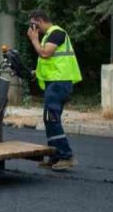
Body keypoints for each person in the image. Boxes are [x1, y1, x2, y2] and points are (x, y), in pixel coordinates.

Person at [26, 9, 81, 170]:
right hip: (55, 83)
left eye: (33, 24)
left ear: (41, 20)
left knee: (52, 119)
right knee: (49, 119)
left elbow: (45, 54)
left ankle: (66, 156)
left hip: (60, 83)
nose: (32, 28)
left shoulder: (57, 33)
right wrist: (37, 72)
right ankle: (56, 156)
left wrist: (34, 40)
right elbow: (50, 62)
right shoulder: (49, 36)